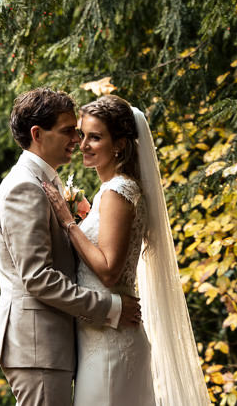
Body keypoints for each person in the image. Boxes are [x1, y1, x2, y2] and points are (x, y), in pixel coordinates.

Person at [40, 94, 213, 406]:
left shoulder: (119, 191)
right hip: (100, 335)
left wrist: (69, 222)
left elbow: (108, 271)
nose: (83, 145)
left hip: (111, 343)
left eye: (95, 137)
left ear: (118, 144)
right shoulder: (112, 191)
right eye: (82, 135)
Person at [0, 88, 143, 406]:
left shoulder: (46, 183)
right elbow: (38, 278)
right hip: (38, 345)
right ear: (37, 134)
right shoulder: (25, 187)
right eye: (68, 131)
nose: (76, 139)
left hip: (55, 345)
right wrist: (111, 308)